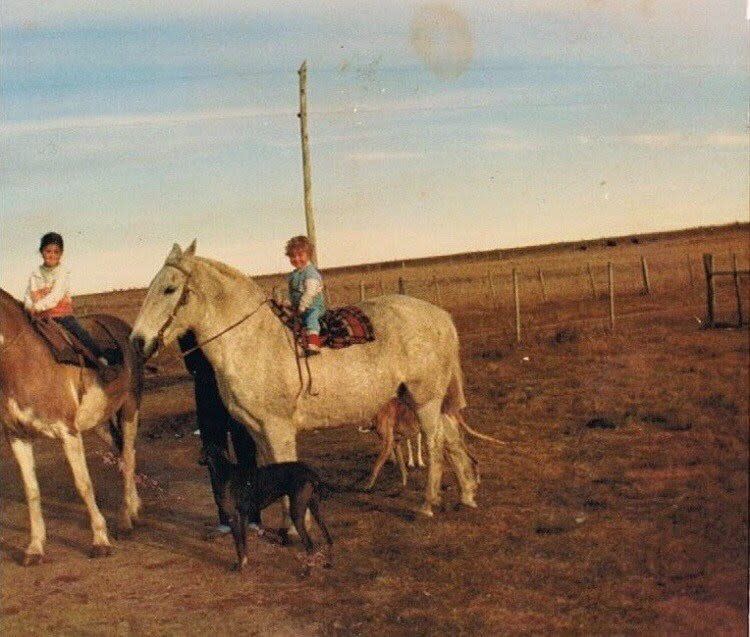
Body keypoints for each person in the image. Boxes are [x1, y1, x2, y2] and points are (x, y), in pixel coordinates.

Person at [178, 331, 257, 537]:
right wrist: (199, 368)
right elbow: (187, 345)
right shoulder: (192, 314)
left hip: (236, 383)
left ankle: (251, 516)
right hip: (208, 386)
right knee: (215, 453)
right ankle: (227, 517)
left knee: (245, 449)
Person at [23, 232, 115, 376]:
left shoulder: (62, 272)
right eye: (48, 251)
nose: (52, 255)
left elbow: (56, 296)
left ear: (61, 254)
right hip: (40, 318)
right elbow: (29, 294)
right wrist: (28, 306)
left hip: (61, 316)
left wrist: (36, 307)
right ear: (41, 252)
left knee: (80, 334)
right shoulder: (35, 274)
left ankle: (101, 359)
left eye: (56, 252)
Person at [285, 235, 326, 355]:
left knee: (311, 318)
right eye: (292, 256)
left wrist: (302, 307)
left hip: (312, 306)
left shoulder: (311, 273)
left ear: (308, 255)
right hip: (298, 307)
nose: (296, 259)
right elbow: (293, 292)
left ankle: (314, 343)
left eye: (300, 255)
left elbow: (310, 292)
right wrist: (289, 303)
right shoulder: (294, 274)